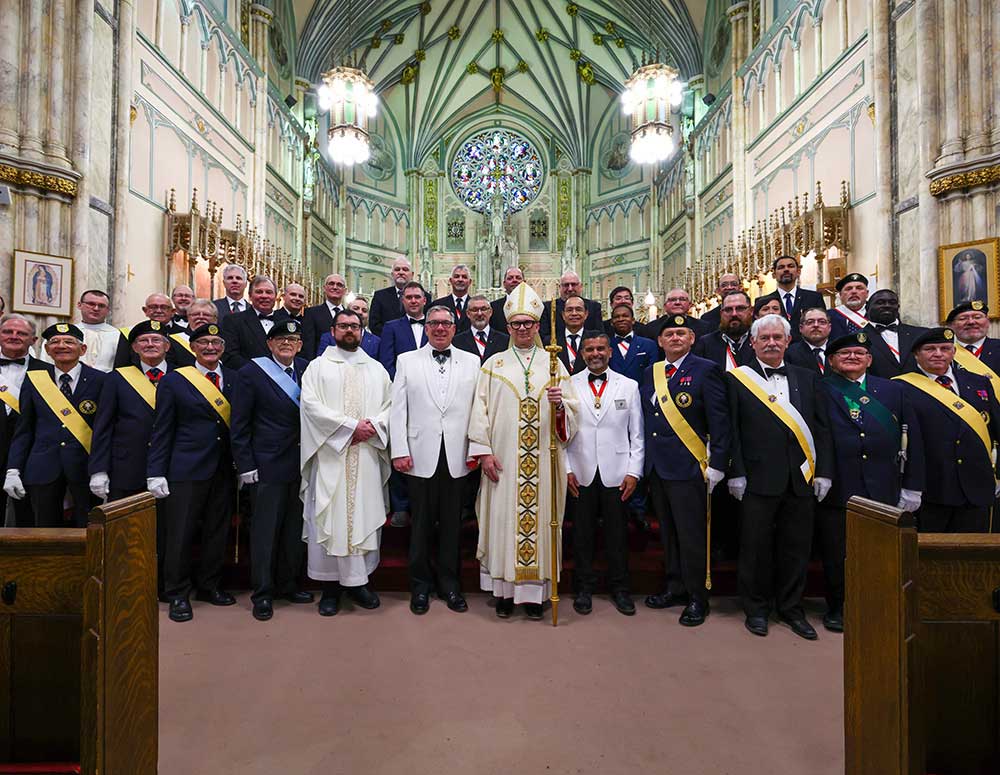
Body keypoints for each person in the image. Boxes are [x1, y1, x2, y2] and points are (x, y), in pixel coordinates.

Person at [468, 282, 579, 620]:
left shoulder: (555, 364)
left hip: (543, 464)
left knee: (542, 522)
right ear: (508, 326)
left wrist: (562, 409)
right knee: (502, 521)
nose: (522, 329)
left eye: (528, 324)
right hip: (504, 462)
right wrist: (484, 451)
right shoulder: (493, 365)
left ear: (537, 326)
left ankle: (534, 597)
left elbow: (573, 416)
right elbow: (479, 412)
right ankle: (504, 592)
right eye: (516, 324)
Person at [726, 314, 834, 640]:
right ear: (754, 342)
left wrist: (824, 472)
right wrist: (737, 473)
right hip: (757, 479)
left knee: (796, 548)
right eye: (765, 338)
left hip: (801, 478)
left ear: (788, 342)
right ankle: (756, 609)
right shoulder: (736, 379)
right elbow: (731, 431)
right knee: (755, 548)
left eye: (778, 338)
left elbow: (822, 428)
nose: (771, 343)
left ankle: (791, 608)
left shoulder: (808, 377)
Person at [819, 332, 924, 632]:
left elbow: (912, 438)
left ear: (869, 359)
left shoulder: (893, 390)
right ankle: (838, 606)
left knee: (881, 553)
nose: (852, 357)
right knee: (837, 552)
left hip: (883, 484)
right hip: (839, 484)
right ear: (832, 361)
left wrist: (912, 485)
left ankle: (878, 605)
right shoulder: (821, 388)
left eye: (859, 353)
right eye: (844, 354)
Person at [300, 309, 391, 616]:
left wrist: (372, 427)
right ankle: (330, 587)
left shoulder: (376, 369)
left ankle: (359, 583)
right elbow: (310, 406)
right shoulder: (317, 367)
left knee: (362, 515)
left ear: (362, 330)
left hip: (365, 454)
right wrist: (350, 427)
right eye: (343, 326)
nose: (349, 330)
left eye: (354, 326)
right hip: (331, 455)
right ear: (333, 330)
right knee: (330, 515)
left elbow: (391, 408)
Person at [390, 306, 480, 615]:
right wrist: (399, 450)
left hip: (459, 456)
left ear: (455, 328)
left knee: (452, 527)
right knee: (422, 526)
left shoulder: (472, 361)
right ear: (426, 328)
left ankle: (450, 585)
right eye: (434, 323)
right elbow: (397, 409)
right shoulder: (406, 361)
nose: (440, 328)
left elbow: (477, 410)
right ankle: (420, 587)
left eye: (446, 323)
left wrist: (475, 449)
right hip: (418, 455)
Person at [640, 315, 729, 627]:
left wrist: (717, 464)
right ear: (660, 341)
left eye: (681, 333)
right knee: (669, 533)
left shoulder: (706, 370)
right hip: (658, 468)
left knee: (692, 535)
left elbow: (720, 421)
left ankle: (697, 597)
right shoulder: (651, 373)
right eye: (669, 334)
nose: (675, 338)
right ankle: (675, 586)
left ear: (692, 339)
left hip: (690, 467)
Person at [146, 323, 237, 623]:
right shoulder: (175, 381)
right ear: (193, 348)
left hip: (223, 469)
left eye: (216, 342)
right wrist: (156, 471)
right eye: (204, 343)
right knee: (180, 535)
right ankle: (177, 593)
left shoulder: (234, 378)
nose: (210, 348)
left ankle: (209, 586)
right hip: (185, 468)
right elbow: (163, 428)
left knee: (216, 531)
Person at [230, 319, 313, 621]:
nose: (287, 344)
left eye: (292, 340)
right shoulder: (251, 373)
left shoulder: (307, 369)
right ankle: (262, 593)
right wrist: (245, 464)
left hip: (301, 462)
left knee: (293, 528)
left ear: (300, 345)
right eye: (280, 340)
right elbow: (239, 423)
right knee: (265, 532)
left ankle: (288, 584)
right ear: (269, 344)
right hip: (266, 464)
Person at [88, 320, 172, 596]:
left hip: (169, 468)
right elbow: (103, 426)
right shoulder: (117, 378)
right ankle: (124, 585)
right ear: (134, 347)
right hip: (126, 466)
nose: (150, 345)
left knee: (163, 532)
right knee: (125, 531)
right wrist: (99, 469)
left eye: (156, 340)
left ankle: (159, 585)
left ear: (167, 346)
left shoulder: (181, 376)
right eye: (144, 341)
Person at [566, 331, 644, 616]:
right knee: (582, 535)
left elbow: (637, 435)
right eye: (589, 349)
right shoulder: (569, 385)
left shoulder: (629, 386)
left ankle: (620, 589)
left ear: (610, 352)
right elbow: (561, 433)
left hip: (617, 472)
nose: (595, 354)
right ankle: (583, 588)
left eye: (600, 349)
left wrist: (634, 472)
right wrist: (566, 469)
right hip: (581, 471)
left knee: (617, 535)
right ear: (582, 353)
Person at [894, 327, 1000, 533]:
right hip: (932, 488)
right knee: (930, 558)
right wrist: (909, 486)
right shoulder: (900, 387)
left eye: (945, 348)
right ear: (917, 353)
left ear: (953, 352)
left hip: (977, 485)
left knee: (975, 557)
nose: (938, 354)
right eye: (930, 349)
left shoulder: (978, 382)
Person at [5, 324, 106, 527]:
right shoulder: (35, 380)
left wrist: (102, 469)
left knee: (88, 531)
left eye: (69, 341)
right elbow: (24, 429)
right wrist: (13, 469)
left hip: (85, 467)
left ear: (82, 349)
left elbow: (105, 429)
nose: (62, 346)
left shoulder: (102, 380)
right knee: (44, 532)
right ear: (48, 350)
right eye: (55, 342)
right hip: (43, 467)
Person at [0, 314, 45, 527]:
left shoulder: (47, 372)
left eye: (22, 333)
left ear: (34, 341)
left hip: (30, 456)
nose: (14, 336)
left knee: (27, 521)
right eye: (8, 331)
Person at [221, 276, 283, 369]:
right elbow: (230, 357)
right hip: (247, 379)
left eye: (269, 292)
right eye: (259, 292)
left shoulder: (285, 321)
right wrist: (258, 372)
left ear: (275, 297)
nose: (264, 296)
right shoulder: (233, 321)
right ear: (250, 296)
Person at [756, 256, 826, 336]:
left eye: (790, 266)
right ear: (774, 274)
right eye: (781, 267)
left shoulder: (814, 298)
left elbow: (823, 324)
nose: (786, 270)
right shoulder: (763, 301)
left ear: (798, 271)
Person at [863, 289, 926, 378]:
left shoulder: (921, 334)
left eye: (892, 302)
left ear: (898, 307)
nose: (887, 306)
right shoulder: (856, 338)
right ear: (867, 307)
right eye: (880, 302)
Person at [63, 289, 128, 373]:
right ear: (79, 305)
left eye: (101, 306)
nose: (96, 308)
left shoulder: (119, 335)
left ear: (108, 310)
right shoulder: (64, 334)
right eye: (91, 304)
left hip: (108, 383)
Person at [379, 281, 429, 380]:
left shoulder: (435, 326)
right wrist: (400, 383)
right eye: (409, 297)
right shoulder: (391, 327)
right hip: (401, 386)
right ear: (403, 300)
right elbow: (386, 362)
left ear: (424, 300)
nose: (413, 301)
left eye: (417, 297)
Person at [693, 290, 754, 371]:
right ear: (721, 313)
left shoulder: (761, 340)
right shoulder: (706, 343)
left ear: (751, 311)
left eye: (740, 308)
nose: (734, 314)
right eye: (728, 310)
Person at [370, 258, 429, 335]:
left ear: (412, 274)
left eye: (405, 269)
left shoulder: (425, 296)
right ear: (392, 274)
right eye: (397, 269)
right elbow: (374, 324)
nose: (401, 272)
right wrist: (392, 337)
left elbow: (428, 322)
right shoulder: (380, 296)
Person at [539, 271, 603, 341]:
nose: (570, 288)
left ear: (581, 286)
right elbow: (544, 337)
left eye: (573, 284)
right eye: (566, 285)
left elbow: (599, 335)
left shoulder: (593, 306)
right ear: (559, 287)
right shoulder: (548, 308)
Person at [947, 300, 1000, 381]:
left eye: (977, 317)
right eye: (963, 318)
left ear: (988, 322)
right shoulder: (944, 352)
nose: (971, 322)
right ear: (951, 326)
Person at [301, 274, 348, 360]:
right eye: (331, 284)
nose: (335, 287)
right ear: (324, 288)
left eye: (339, 285)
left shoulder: (350, 316)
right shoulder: (311, 313)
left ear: (345, 291)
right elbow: (308, 345)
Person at [607, 304, 658, 383]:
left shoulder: (649, 345)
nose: (621, 319)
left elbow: (652, 375)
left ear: (633, 320)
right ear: (611, 322)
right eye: (617, 317)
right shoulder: (606, 346)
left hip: (640, 393)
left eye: (625, 316)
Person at [452, 294, 509, 363]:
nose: (479, 314)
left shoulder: (504, 340)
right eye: (474, 310)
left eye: (483, 309)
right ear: (468, 313)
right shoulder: (457, 341)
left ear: (490, 312)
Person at [639, 288, 707, 340]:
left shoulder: (704, 327)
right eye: (672, 300)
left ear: (690, 305)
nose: (677, 303)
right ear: (665, 306)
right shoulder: (650, 328)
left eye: (682, 299)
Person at [169, 298, 217, 366]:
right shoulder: (173, 341)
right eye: (196, 314)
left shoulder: (223, 341)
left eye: (206, 315)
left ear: (215, 319)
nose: (201, 317)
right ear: (188, 317)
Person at [785, 307, 832, 375]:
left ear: (829, 327)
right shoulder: (790, 354)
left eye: (822, 322)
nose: (816, 325)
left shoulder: (839, 351)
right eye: (810, 322)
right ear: (801, 328)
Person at [430, 264, 473, 333]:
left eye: (464, 277)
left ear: (470, 282)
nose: (460, 279)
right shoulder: (438, 304)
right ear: (450, 280)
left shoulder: (475, 306)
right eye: (456, 276)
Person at [553, 295, 590, 375]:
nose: (574, 313)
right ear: (563, 315)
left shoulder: (595, 339)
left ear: (586, 314)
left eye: (578, 309)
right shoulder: (552, 341)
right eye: (569, 310)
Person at [828, 272, 870, 339]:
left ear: (867, 293)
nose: (854, 292)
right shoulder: (829, 316)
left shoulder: (875, 313)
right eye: (848, 289)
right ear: (841, 295)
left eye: (859, 288)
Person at [490, 265, 524, 332]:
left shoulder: (534, 305)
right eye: (510, 278)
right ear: (504, 284)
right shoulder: (493, 307)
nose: (514, 280)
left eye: (518, 278)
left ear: (524, 282)